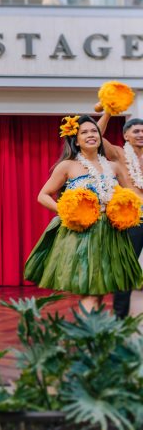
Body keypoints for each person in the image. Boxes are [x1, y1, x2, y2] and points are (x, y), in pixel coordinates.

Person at [24, 115, 143, 312]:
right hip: (83, 234)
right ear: (76, 140)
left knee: (99, 290)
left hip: (111, 234)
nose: (91, 135)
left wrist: (124, 211)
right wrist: (67, 211)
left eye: (94, 131)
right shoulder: (68, 166)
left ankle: (92, 328)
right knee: (90, 290)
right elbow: (43, 195)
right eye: (84, 132)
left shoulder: (113, 167)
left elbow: (129, 196)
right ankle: (88, 330)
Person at [96, 112, 143, 318]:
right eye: (137, 131)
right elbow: (96, 135)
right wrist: (108, 112)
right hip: (133, 218)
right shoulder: (119, 154)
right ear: (126, 136)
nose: (141, 134)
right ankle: (119, 318)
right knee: (126, 267)